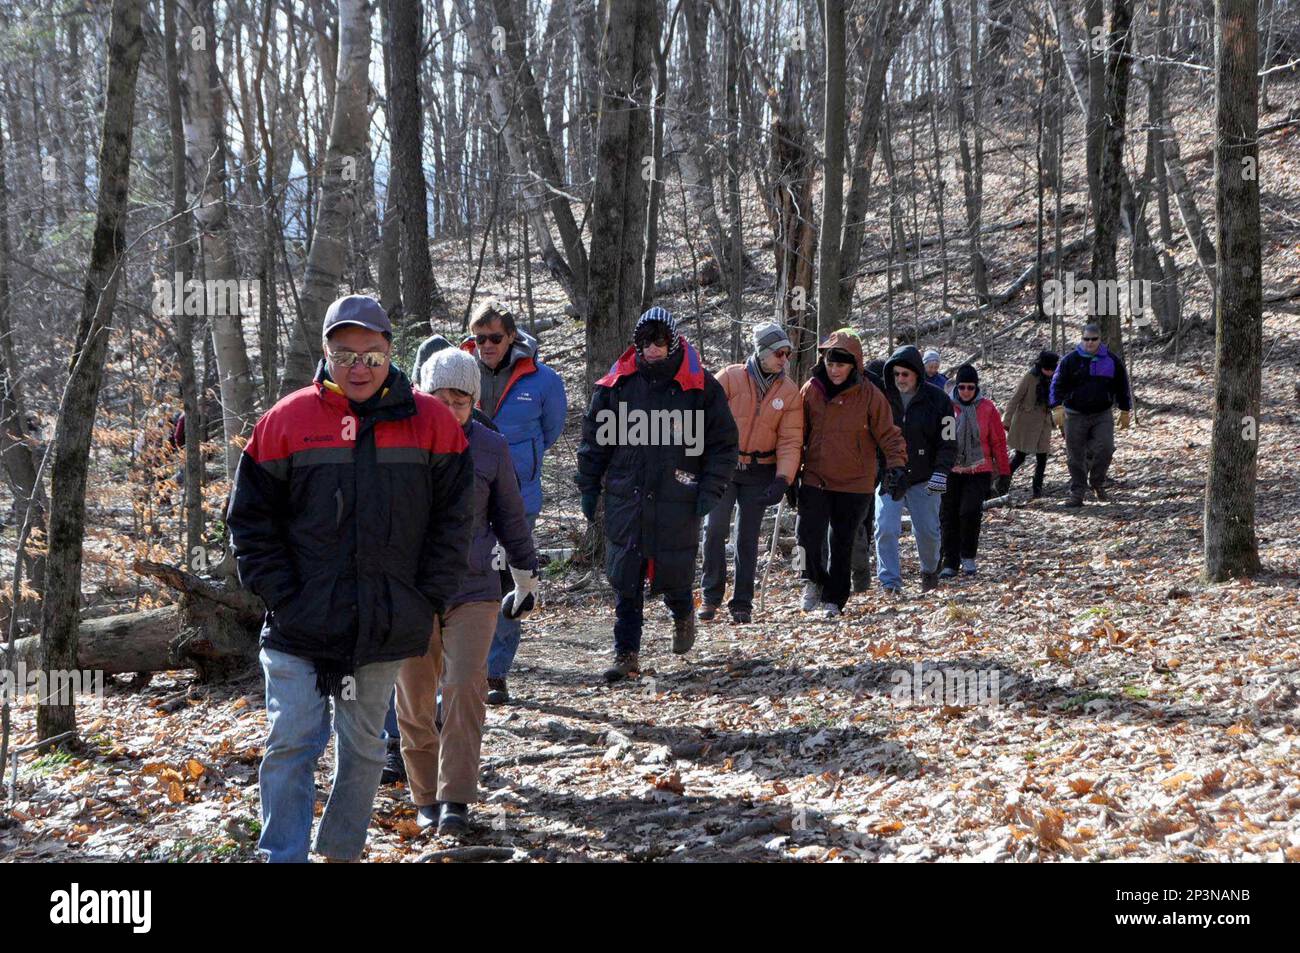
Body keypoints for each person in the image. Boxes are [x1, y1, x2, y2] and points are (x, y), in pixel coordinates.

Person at [226, 295, 473, 863]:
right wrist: (282, 596)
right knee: (292, 741)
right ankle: (282, 856)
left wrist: (425, 599)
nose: (358, 367)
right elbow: (249, 521)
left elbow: (454, 523)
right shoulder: (286, 420)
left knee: (363, 748)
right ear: (326, 354)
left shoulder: (433, 422)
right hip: (298, 625)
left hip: (385, 624)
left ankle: (339, 853)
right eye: (344, 354)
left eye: (371, 355)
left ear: (391, 352)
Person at [394, 348, 539, 836]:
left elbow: (512, 518)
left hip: (474, 589)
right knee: (415, 700)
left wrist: (525, 576)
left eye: (461, 399)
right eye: (440, 397)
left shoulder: (491, 448)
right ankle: (425, 797)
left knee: (462, 687)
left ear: (474, 401)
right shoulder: (398, 441)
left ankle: (456, 798)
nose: (450, 408)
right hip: (412, 594)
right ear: (422, 396)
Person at [576, 307, 738, 683]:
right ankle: (626, 652)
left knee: (673, 570)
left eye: (660, 341)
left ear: (673, 342)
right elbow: (593, 443)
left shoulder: (700, 387)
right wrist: (588, 486)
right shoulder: (615, 385)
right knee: (626, 578)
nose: (652, 349)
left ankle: (683, 613)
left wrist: (711, 488)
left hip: (678, 494)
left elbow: (724, 445)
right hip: (625, 495)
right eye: (646, 341)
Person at [462, 300, 567, 706]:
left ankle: (496, 672)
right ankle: (462, 668)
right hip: (464, 497)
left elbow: (551, 429)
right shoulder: (459, 369)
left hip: (518, 498)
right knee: (470, 578)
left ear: (511, 337)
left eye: (494, 337)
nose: (486, 345)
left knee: (510, 580)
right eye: (479, 337)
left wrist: (520, 466)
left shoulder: (543, 381)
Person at [794, 331, 906, 618]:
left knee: (841, 541)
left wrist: (896, 466)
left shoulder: (870, 395)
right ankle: (812, 581)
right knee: (805, 535)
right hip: (816, 475)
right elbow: (795, 433)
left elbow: (889, 435)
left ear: (854, 365)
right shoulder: (811, 389)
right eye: (830, 364)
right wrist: (789, 473)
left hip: (855, 483)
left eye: (840, 365)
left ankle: (834, 598)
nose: (834, 370)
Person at [699, 322, 803, 624]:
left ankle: (742, 603)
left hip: (762, 470)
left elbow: (790, 439)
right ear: (761, 353)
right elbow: (704, 419)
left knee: (747, 537)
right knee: (714, 530)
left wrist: (783, 478)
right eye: (779, 353)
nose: (784, 359)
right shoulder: (730, 378)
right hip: (724, 467)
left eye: (787, 354)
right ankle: (710, 596)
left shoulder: (789, 391)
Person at [875, 345, 956, 594]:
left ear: (917, 375)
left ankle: (929, 571)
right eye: (896, 374)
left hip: (926, 477)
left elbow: (949, 440)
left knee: (929, 533)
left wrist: (941, 471)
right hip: (890, 475)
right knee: (885, 528)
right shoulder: (882, 398)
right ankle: (890, 582)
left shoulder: (940, 400)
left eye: (905, 374)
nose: (900, 379)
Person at [1049, 323, 1131, 508]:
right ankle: (1077, 492)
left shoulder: (1111, 360)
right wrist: (1056, 406)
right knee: (1075, 455)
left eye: (1094, 339)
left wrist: (1125, 409)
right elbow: (1057, 383)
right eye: (1086, 339)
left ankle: (1097, 482)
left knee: (1106, 448)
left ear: (1100, 340)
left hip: (1102, 413)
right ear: (1081, 339)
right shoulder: (1070, 360)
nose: (1090, 343)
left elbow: (1121, 384)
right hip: (1075, 414)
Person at [939, 364, 1010, 577]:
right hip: (952, 470)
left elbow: (998, 441)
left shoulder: (987, 408)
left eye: (970, 387)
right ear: (956, 387)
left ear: (976, 387)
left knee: (969, 511)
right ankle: (950, 561)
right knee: (948, 515)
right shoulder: (948, 408)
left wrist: (1005, 472)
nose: (966, 392)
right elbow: (944, 440)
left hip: (979, 469)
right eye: (962, 387)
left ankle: (968, 555)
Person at [1002, 350, 1059, 499]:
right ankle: (1002, 482)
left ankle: (1037, 489)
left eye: (1051, 370)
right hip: (1026, 423)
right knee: (1020, 457)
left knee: (1042, 457)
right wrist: (1007, 421)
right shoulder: (1029, 377)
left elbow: (1058, 402)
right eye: (1046, 369)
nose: (1049, 372)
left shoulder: (1055, 379)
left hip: (1044, 423)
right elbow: (1015, 399)